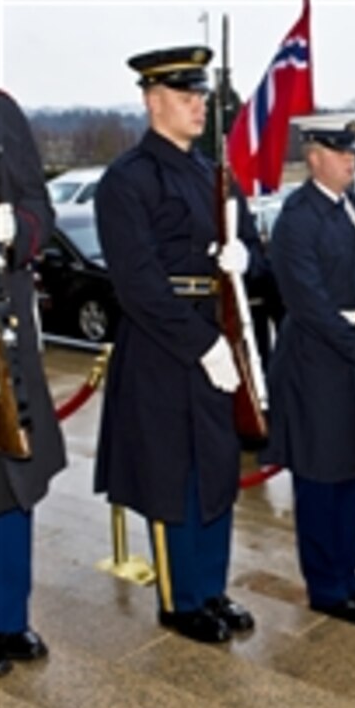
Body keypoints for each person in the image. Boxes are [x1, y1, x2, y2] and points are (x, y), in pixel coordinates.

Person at [94, 45, 263, 644]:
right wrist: (202, 344)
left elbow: (252, 255)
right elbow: (137, 284)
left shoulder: (211, 173)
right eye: (186, 96)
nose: (200, 106)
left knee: (215, 470)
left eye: (201, 96)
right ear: (152, 100)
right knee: (174, 476)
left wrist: (244, 260)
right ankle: (180, 599)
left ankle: (210, 588)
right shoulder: (127, 180)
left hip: (214, 336)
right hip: (164, 347)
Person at [261, 115, 355, 626]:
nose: (350, 160)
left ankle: (348, 574)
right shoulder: (298, 217)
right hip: (318, 361)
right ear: (313, 156)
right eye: (340, 152)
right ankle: (326, 586)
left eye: (352, 152)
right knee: (322, 478)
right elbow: (307, 303)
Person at [0, 89, 68, 677]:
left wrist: (13, 229)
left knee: (12, 475)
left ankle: (7, 617)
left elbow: (39, 206)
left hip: (3, 327)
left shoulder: (2, 110)